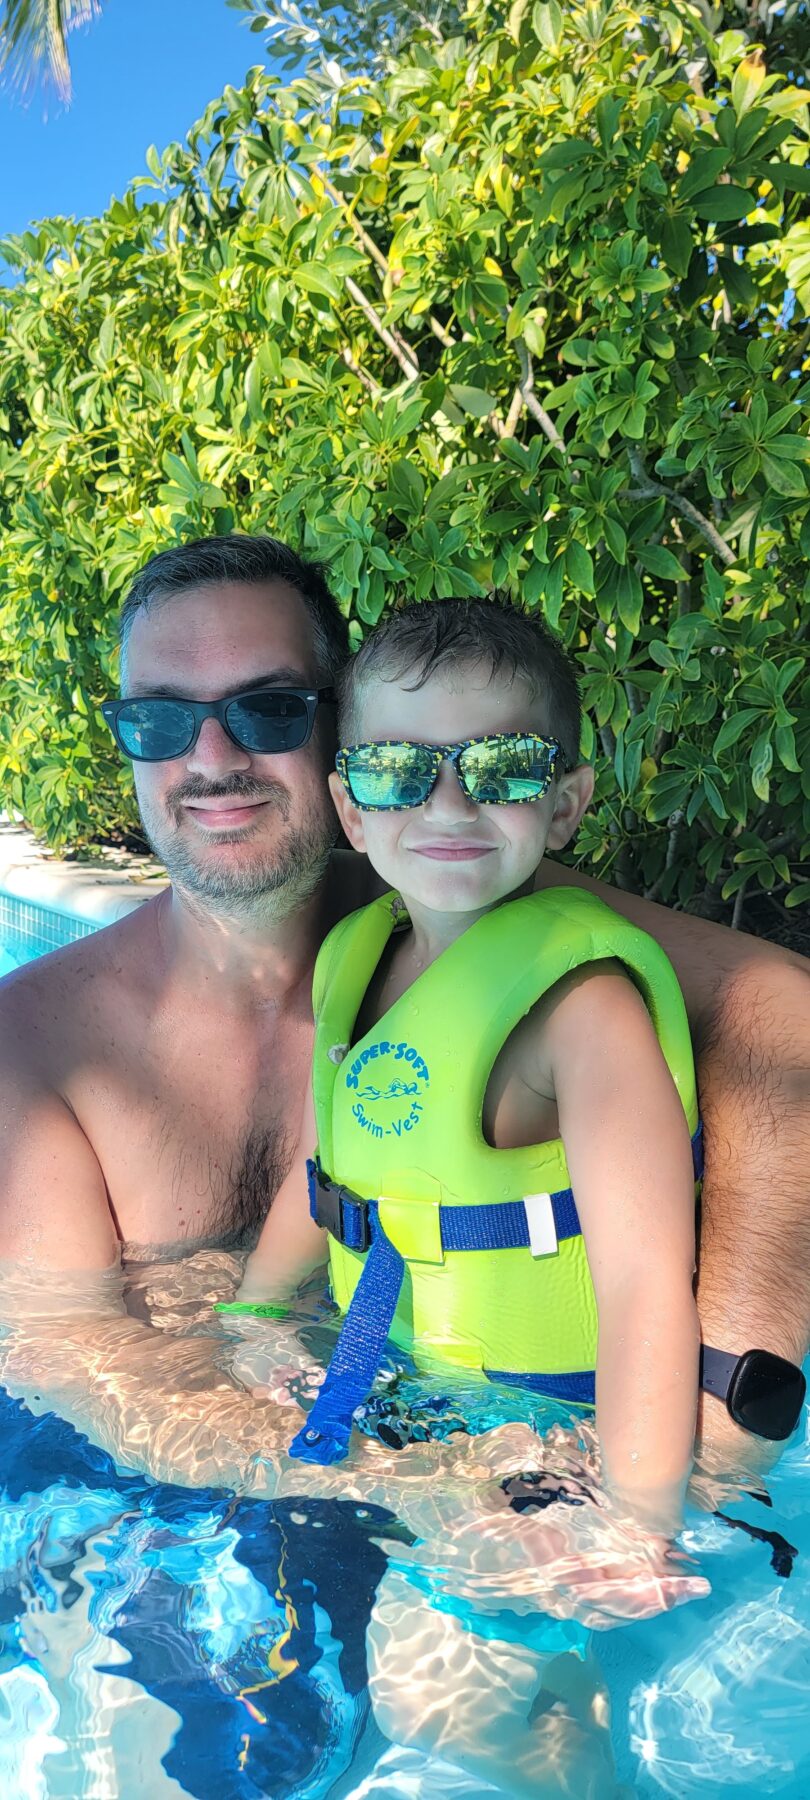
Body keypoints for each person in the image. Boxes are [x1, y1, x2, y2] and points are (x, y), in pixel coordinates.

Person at [0, 535, 807, 1503]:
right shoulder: (36, 1048)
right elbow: (72, 1364)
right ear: (359, 793)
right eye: (159, 719)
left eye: (270, 708)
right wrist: (425, 1489)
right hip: (269, 1471)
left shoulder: (479, 902)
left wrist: (700, 1457)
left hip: (536, 1457)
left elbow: (782, 1013)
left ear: (329, 733)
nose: (211, 758)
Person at [237, 596, 704, 1540]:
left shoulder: (585, 1012)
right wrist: (250, 1318)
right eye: (396, 770)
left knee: (438, 1639)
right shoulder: (354, 958)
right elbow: (325, 1175)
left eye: (504, 767)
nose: (449, 805)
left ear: (565, 804)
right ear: (351, 809)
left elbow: (647, 1286)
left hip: (546, 1438)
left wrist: (637, 1527)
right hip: (392, 1382)